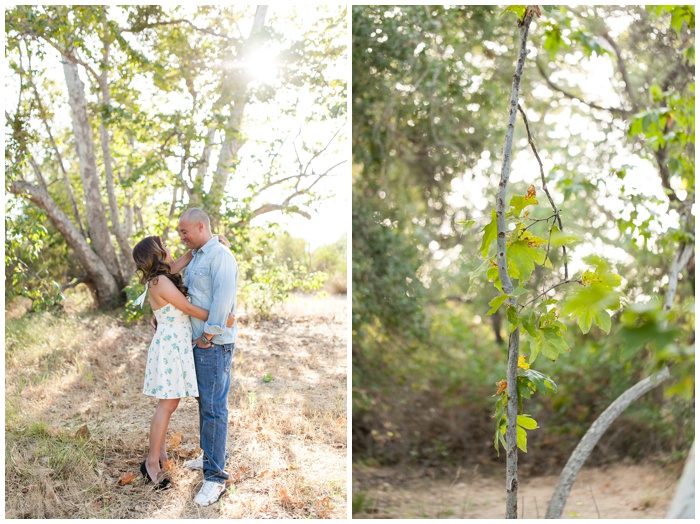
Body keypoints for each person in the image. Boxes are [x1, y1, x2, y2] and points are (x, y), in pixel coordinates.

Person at [132, 235, 234, 490]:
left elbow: (183, 260)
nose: (170, 249)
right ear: (157, 254)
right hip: (170, 348)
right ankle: (151, 463)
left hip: (174, 345)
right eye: (164, 247)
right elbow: (188, 309)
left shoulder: (161, 277)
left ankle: (162, 456)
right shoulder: (161, 282)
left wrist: (208, 242)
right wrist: (221, 319)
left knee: (168, 404)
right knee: (167, 405)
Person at [177, 208, 239, 506]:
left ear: (200, 226)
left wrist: (207, 336)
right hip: (199, 343)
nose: (181, 236)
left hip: (213, 344)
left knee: (214, 408)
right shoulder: (198, 256)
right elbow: (190, 294)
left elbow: (223, 301)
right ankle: (209, 456)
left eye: (184, 231)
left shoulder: (221, 256)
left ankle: (215, 478)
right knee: (205, 403)